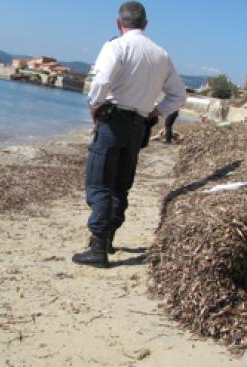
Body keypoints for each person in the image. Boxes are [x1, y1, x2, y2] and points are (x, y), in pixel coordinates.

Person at [72, 1, 187, 268]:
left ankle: (98, 248)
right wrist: (156, 111)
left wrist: (94, 107)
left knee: (100, 182)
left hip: (113, 121)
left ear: (118, 22)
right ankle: (108, 238)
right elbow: (179, 95)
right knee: (121, 184)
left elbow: (100, 82)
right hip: (138, 125)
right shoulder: (161, 54)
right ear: (145, 25)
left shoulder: (116, 46)